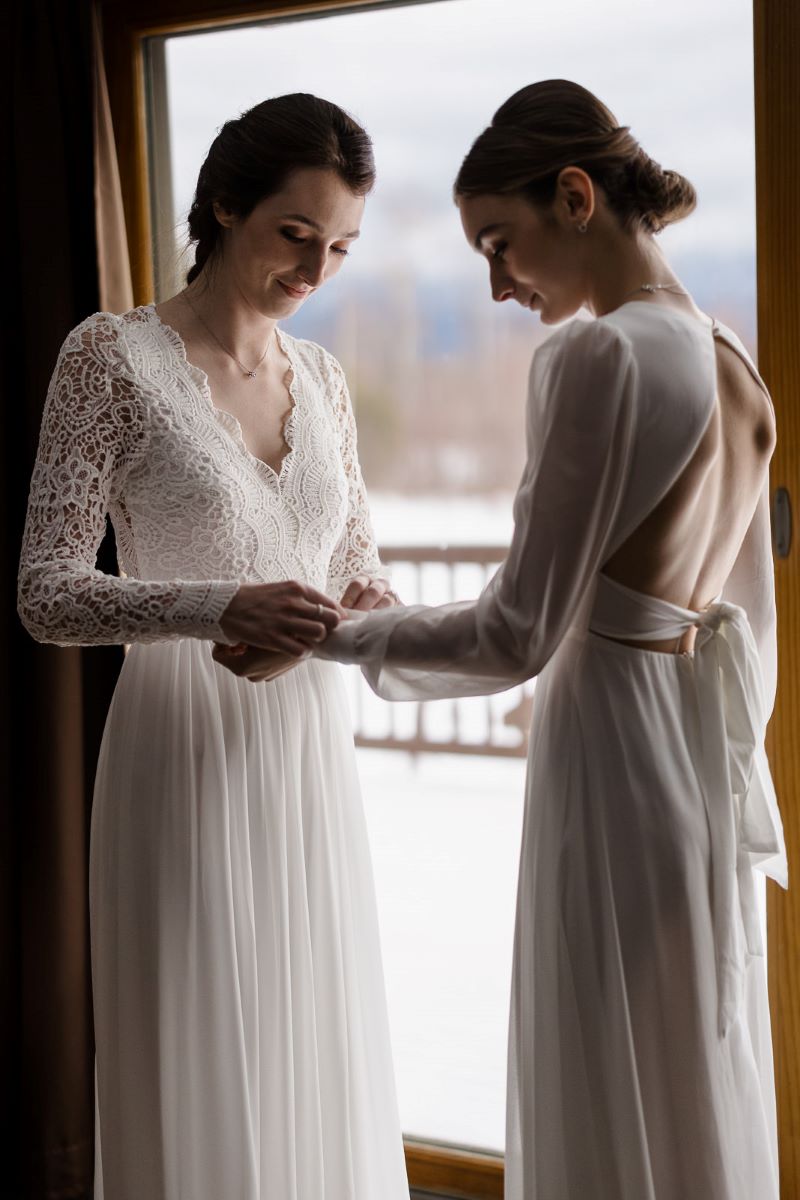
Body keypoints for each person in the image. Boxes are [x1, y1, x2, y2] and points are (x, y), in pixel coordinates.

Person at [216, 80, 787, 1199]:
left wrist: (332, 632)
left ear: (574, 196)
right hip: (697, 760)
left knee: (596, 1048)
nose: (493, 284)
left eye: (499, 243)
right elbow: (743, 619)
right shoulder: (731, 362)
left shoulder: (595, 358)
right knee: (683, 1057)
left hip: (614, 753)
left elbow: (515, 632)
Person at [17, 93, 409, 1200]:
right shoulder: (109, 358)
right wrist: (218, 607)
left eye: (339, 246)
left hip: (302, 758)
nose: (317, 267)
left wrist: (463, 623)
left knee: (308, 1031)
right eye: (296, 234)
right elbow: (47, 595)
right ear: (225, 204)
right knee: (200, 1041)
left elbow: (357, 576)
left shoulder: (322, 379)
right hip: (175, 749)